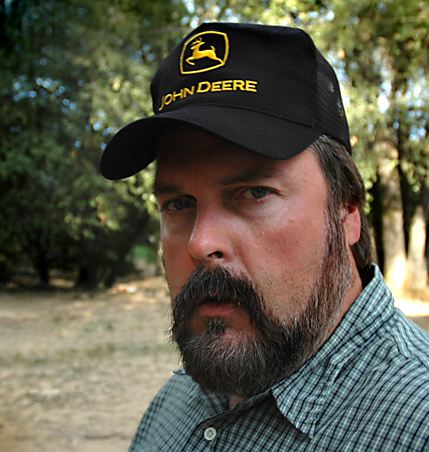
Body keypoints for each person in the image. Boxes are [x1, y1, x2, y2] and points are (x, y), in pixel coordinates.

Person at [100, 22, 429, 451]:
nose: (200, 244)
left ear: (347, 210)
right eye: (178, 204)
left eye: (256, 193)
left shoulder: (416, 425)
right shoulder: (179, 399)